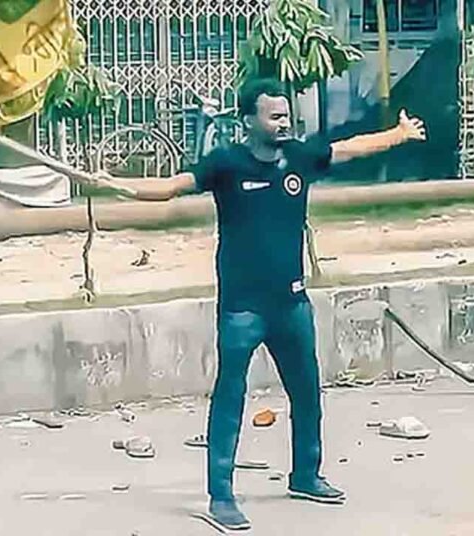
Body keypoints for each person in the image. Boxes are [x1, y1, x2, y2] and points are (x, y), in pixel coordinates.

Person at [100, 77, 426, 532]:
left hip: (291, 304)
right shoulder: (226, 164)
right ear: (248, 121)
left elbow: (350, 148)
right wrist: (120, 187)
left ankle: (306, 475)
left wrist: (398, 134)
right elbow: (174, 186)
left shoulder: (300, 157)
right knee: (230, 398)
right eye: (274, 116)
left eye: (285, 115)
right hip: (242, 309)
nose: (283, 123)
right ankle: (221, 497)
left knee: (307, 392)